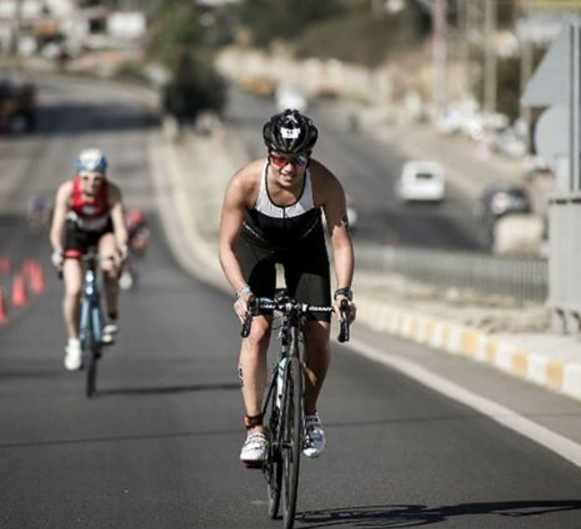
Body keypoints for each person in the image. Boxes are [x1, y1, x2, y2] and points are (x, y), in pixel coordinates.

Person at [218, 109, 357, 466]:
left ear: (308, 156)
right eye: (280, 157)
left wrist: (343, 292)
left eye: (298, 159)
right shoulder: (244, 183)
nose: (288, 167)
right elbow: (226, 246)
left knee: (318, 334)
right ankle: (254, 430)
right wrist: (242, 292)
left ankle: (309, 414)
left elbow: (340, 242)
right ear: (269, 154)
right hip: (256, 248)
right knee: (259, 330)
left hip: (306, 251)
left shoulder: (325, 184)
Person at [49, 148, 128, 370]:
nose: (91, 184)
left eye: (97, 179)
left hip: (104, 232)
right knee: (74, 289)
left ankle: (111, 317)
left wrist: (122, 248)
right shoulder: (67, 191)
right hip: (77, 234)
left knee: (110, 264)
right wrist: (57, 250)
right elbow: (57, 228)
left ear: (103, 177)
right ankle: (73, 342)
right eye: (85, 178)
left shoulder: (111, 192)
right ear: (77, 176)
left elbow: (120, 227)